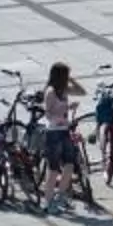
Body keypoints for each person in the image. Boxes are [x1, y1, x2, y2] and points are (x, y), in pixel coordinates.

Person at [40, 62, 94, 211]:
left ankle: (61, 195)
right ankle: (48, 201)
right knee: (53, 169)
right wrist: (65, 109)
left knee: (69, 165)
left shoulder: (63, 90)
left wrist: (72, 79)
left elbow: (82, 91)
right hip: (53, 132)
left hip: (64, 131)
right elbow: (48, 113)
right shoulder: (50, 92)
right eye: (66, 75)